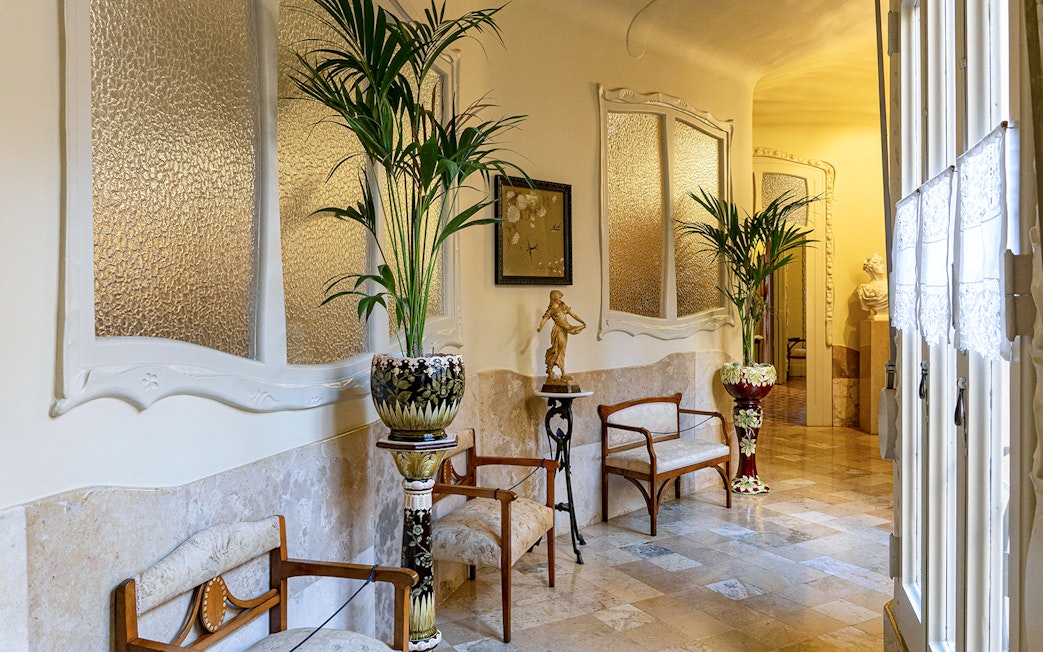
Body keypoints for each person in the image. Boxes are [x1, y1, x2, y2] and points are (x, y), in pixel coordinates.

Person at [537, 290, 586, 381]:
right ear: (554, 298)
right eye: (558, 297)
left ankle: (551, 369)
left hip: (565, 330)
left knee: (560, 350)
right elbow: (544, 319)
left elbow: (573, 314)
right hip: (558, 330)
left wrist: (581, 321)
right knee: (558, 350)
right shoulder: (551, 310)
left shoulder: (563, 306)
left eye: (560, 298)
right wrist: (540, 327)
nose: (560, 299)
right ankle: (562, 373)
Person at [857, 253, 889, 319]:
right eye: (879, 264)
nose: (883, 266)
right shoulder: (864, 289)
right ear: (871, 268)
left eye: (882, 263)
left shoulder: (890, 284)